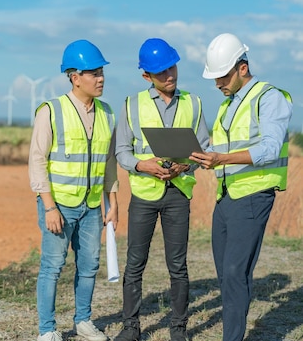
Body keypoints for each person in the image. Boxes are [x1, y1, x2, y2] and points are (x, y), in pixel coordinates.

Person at [189, 33, 292, 341]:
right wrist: (189, 159)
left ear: (242, 68)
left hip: (252, 196)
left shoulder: (269, 97)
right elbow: (215, 148)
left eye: (222, 76)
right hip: (227, 197)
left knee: (235, 272)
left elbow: (270, 148)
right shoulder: (228, 105)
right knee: (227, 273)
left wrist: (222, 158)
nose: (218, 83)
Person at [114, 38, 210, 341]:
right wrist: (144, 166)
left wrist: (188, 166)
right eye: (161, 72)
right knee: (134, 263)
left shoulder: (194, 103)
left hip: (178, 194)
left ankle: (179, 328)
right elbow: (122, 151)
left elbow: (204, 149)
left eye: (172, 67)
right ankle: (131, 327)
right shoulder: (132, 105)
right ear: (147, 77)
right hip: (144, 193)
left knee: (178, 265)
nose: (170, 75)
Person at [28, 39, 119, 341]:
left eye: (102, 72)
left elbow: (108, 162)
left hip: (92, 205)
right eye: (94, 73)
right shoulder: (51, 111)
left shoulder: (107, 113)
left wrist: (113, 201)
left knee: (90, 266)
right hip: (60, 205)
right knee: (53, 267)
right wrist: (49, 206)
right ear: (75, 76)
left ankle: (83, 321)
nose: (101, 78)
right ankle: (47, 331)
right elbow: (37, 160)